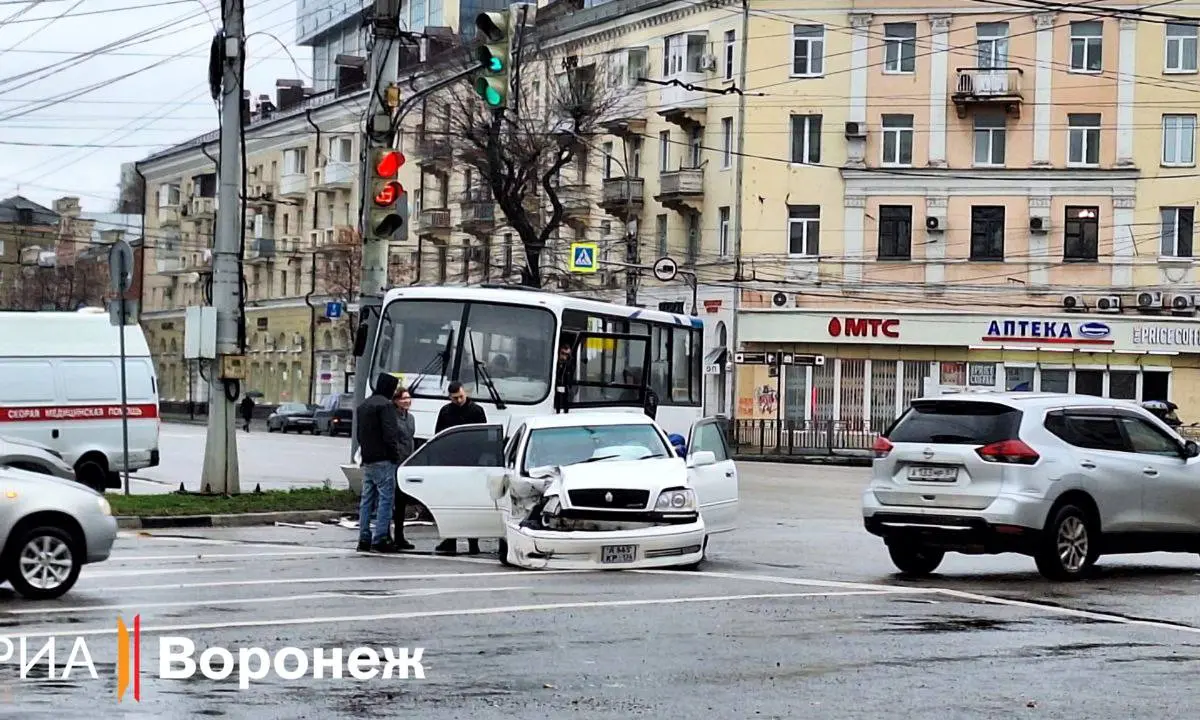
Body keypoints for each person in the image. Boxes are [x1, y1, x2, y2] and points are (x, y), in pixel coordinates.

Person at [434, 382, 486, 555]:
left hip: (470, 463)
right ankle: (451, 539)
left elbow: (482, 437)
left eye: (460, 397)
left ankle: (473, 541)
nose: (458, 400)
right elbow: (439, 436)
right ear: (450, 397)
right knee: (451, 503)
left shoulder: (476, 411)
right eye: (455, 398)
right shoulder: (446, 411)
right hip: (451, 463)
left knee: (470, 503)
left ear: (465, 393)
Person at [355, 372, 402, 553]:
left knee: (367, 499)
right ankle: (381, 537)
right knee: (385, 499)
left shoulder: (364, 405)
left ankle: (364, 537)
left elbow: (359, 435)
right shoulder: (386, 406)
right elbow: (390, 435)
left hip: (368, 459)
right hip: (384, 459)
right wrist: (394, 455)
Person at [391, 386, 416, 550]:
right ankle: (388, 535)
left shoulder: (411, 417)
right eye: (403, 398)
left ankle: (400, 536)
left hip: (407, 462)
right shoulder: (392, 417)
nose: (407, 401)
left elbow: (410, 438)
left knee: (401, 502)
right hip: (395, 462)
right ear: (396, 401)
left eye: (408, 398)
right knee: (391, 501)